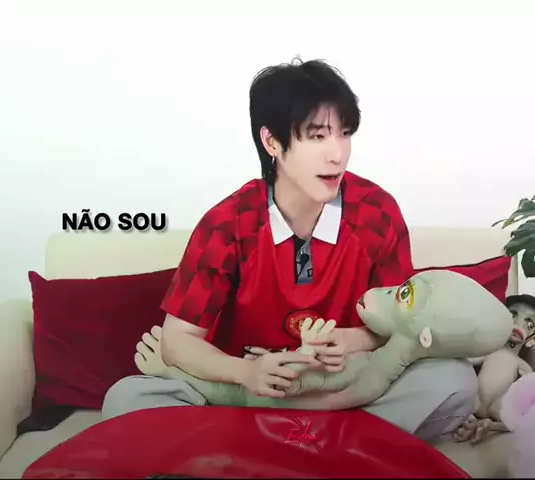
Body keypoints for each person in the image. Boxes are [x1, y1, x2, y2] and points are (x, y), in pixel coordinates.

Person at [102, 57, 477, 442]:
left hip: (343, 392)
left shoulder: (377, 213)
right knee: (127, 399)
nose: (337, 153)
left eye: (344, 133)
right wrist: (246, 373)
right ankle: (318, 447)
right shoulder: (228, 223)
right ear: (272, 142)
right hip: (244, 397)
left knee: (455, 380)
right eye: (317, 136)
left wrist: (351, 340)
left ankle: (273, 449)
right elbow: (177, 340)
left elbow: (403, 323)